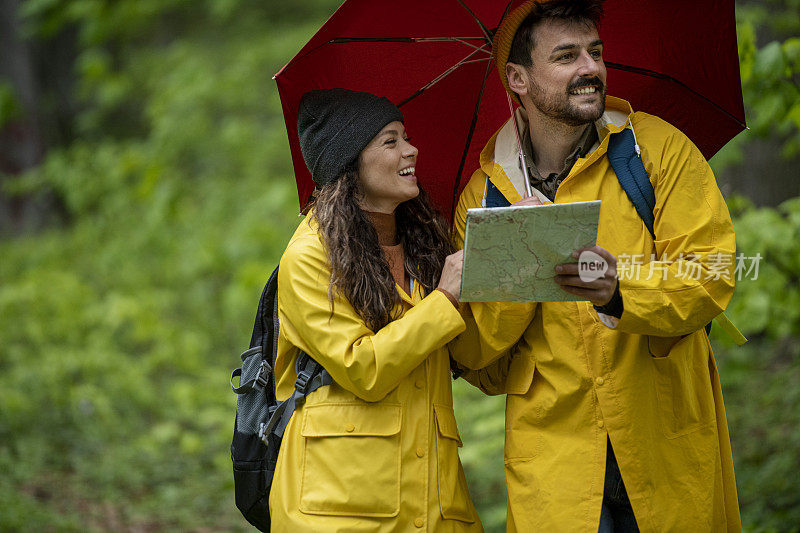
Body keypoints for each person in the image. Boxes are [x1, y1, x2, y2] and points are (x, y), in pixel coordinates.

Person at [451, 1, 742, 531]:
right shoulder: (485, 196)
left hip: (662, 442)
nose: (590, 68)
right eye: (566, 56)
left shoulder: (655, 150)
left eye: (596, 52)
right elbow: (473, 354)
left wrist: (617, 292)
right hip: (555, 464)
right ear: (518, 78)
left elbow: (713, 273)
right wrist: (519, 263)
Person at [269, 88, 482, 532]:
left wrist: (517, 238)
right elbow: (362, 367)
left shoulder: (425, 245)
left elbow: (475, 357)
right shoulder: (310, 256)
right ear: (350, 164)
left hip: (434, 507)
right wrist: (444, 300)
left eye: (406, 136)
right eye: (391, 141)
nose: (412, 149)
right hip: (340, 510)